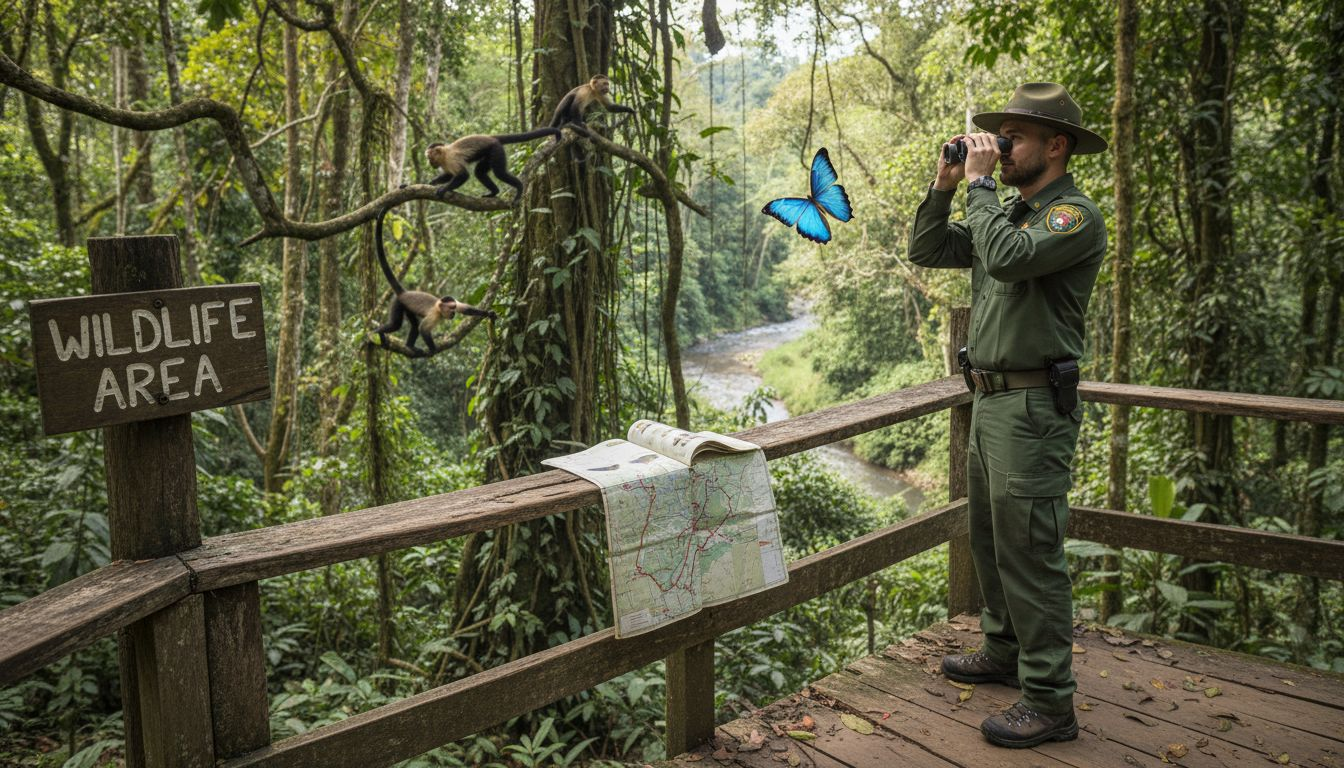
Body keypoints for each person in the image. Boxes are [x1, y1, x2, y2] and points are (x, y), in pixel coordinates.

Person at [906, 82, 1108, 748]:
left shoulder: (1072, 217)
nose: (1001, 146)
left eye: (1013, 137)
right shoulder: (1007, 212)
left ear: (1056, 146)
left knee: (1031, 552)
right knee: (991, 540)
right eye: (1000, 137)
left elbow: (1007, 259)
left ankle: (1050, 700)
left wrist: (980, 185)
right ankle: (1003, 651)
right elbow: (929, 250)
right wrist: (944, 187)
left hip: (1032, 408)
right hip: (990, 400)